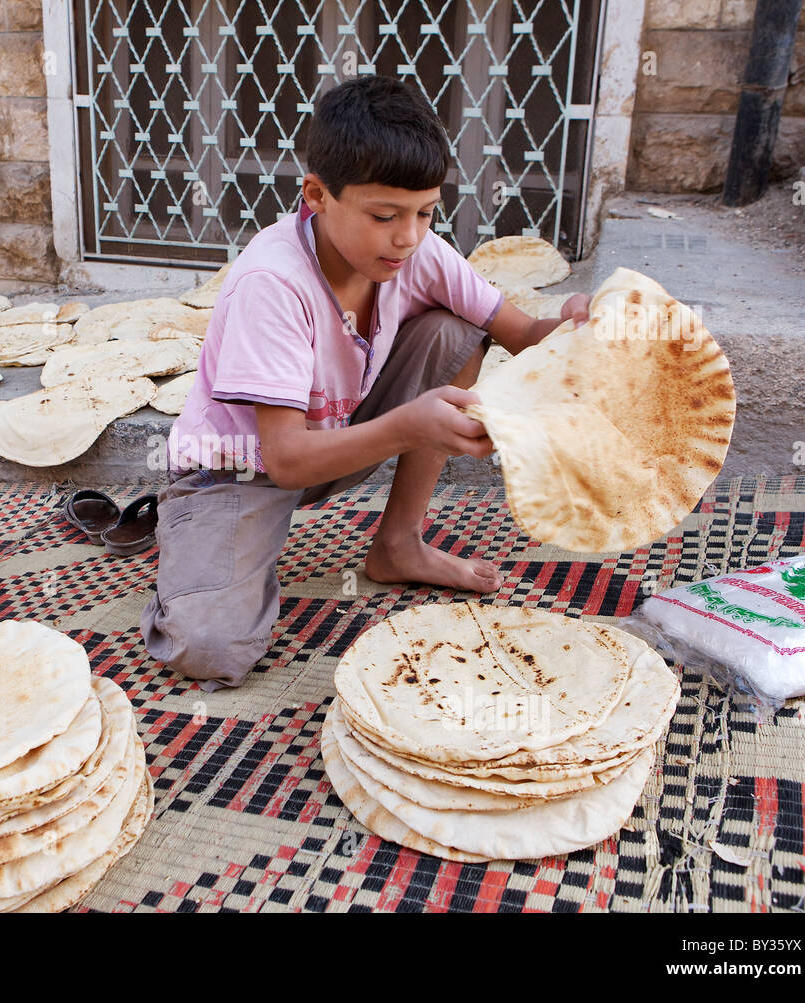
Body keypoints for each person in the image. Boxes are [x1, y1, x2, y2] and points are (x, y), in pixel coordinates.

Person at [140, 75, 590, 690]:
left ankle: (399, 545)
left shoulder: (417, 252)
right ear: (318, 195)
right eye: (385, 215)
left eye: (426, 212)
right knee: (212, 649)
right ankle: (196, 541)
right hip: (241, 468)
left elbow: (521, 332)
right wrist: (409, 424)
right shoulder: (272, 284)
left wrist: (574, 328)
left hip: (341, 437)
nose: (407, 235)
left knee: (451, 328)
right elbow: (288, 460)